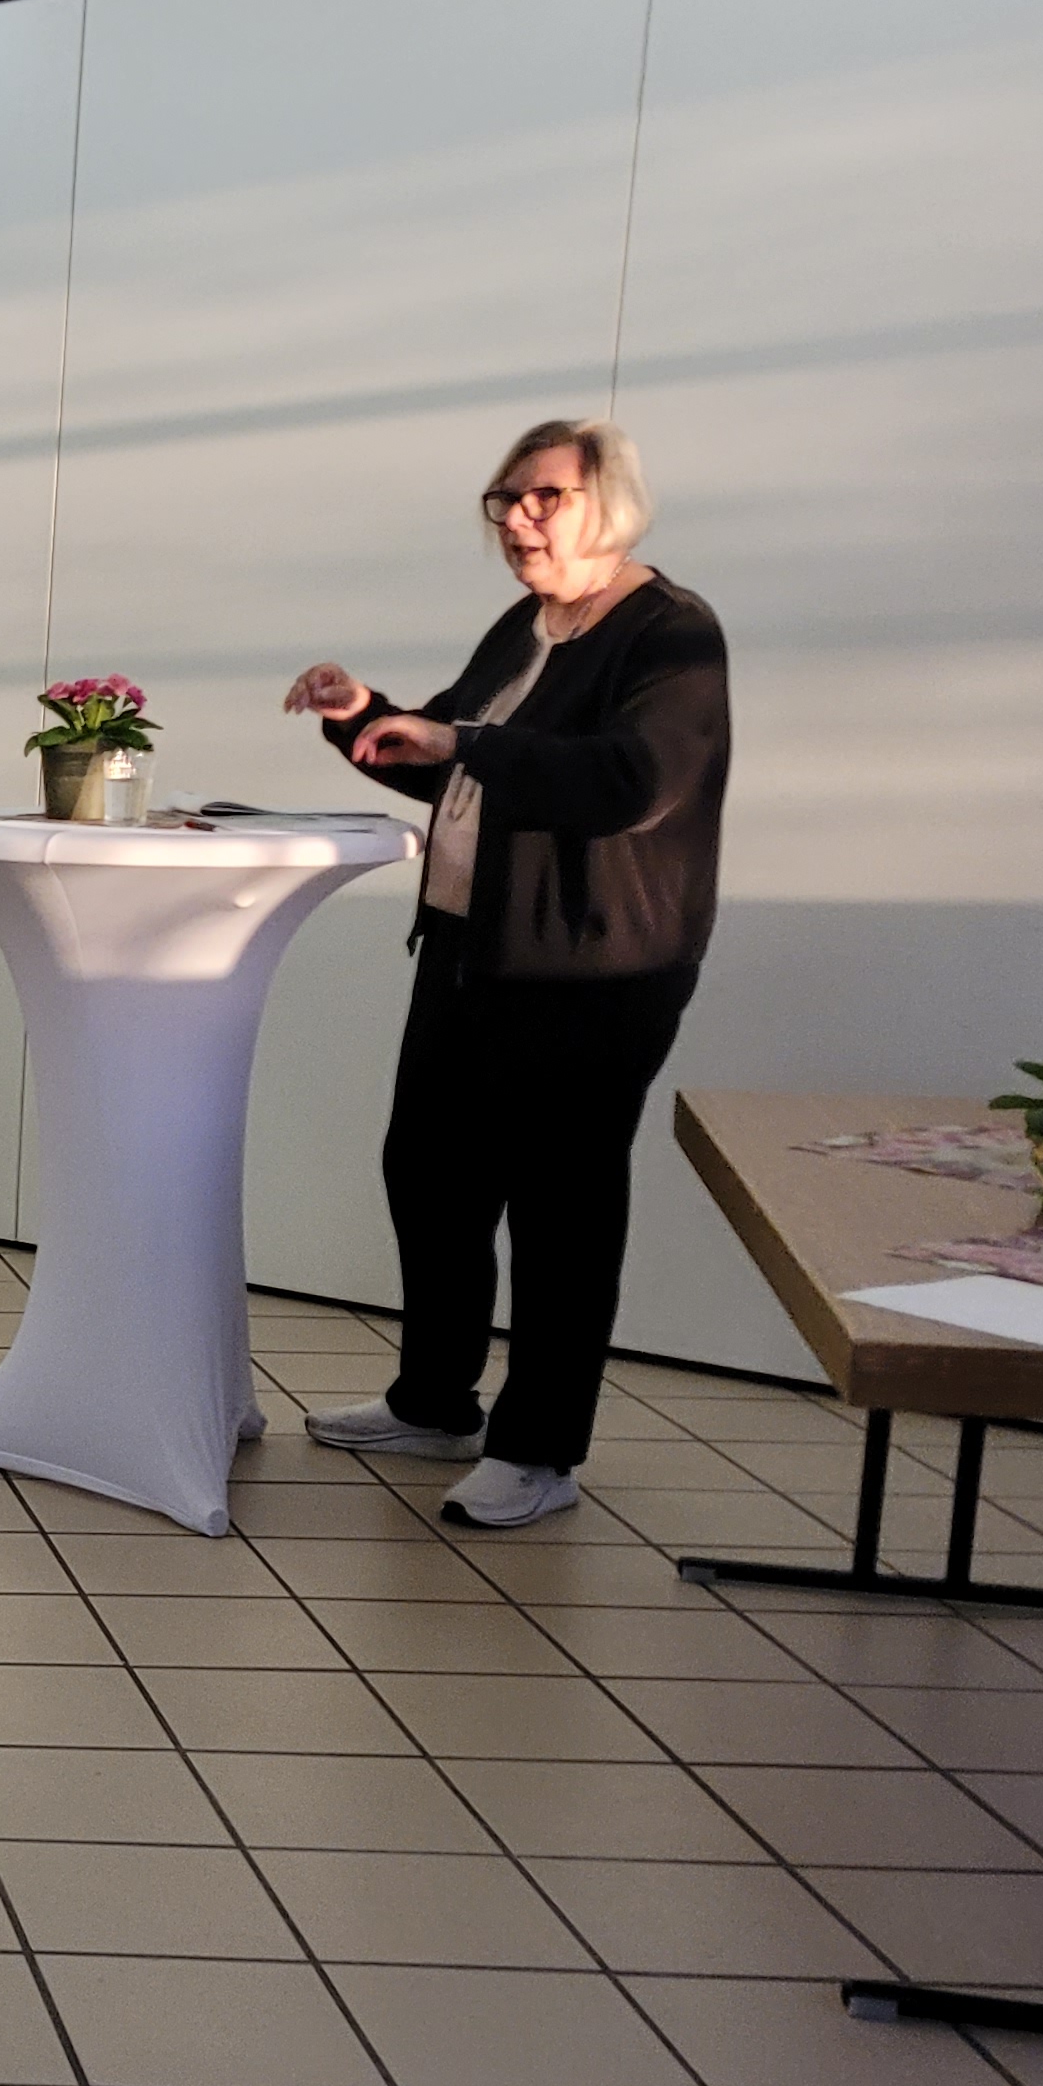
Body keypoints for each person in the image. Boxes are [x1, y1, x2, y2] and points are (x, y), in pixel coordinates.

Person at [282, 418, 728, 1531]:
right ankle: (435, 1404)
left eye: (545, 498)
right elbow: (454, 760)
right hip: (470, 947)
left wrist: (461, 743)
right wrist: (364, 717)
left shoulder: (671, 632)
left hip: (594, 969)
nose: (519, 521)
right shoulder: (527, 626)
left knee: (561, 1211)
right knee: (429, 1170)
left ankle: (539, 1451)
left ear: (609, 503)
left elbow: (629, 781)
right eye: (506, 500)